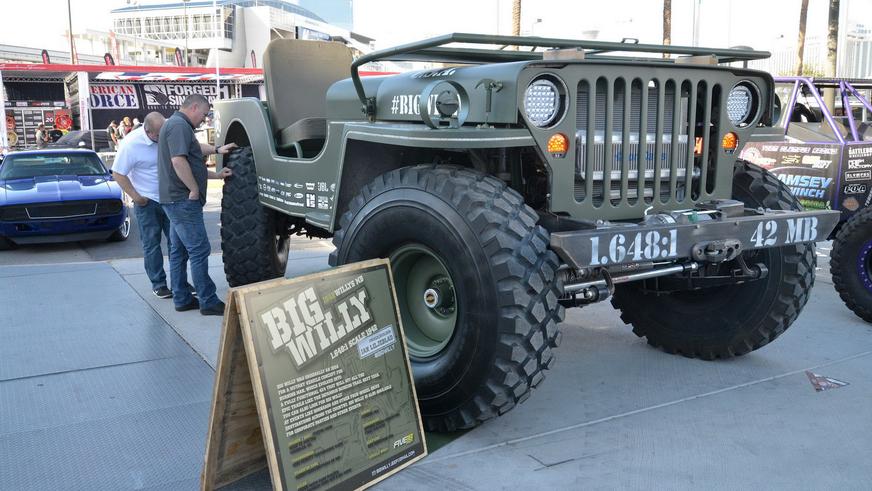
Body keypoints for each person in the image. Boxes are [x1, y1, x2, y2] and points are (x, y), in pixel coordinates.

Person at [158, 94, 236, 316]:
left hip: (174, 199)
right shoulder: (179, 126)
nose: (204, 119)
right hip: (182, 201)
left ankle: (182, 298)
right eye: (203, 114)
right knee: (199, 249)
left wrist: (217, 156)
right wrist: (193, 189)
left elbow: (193, 152)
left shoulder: (176, 125)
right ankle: (208, 300)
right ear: (193, 107)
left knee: (179, 250)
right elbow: (179, 161)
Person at [112, 112, 175, 299]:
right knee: (152, 243)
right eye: (157, 135)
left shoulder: (168, 133)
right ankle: (159, 283)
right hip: (147, 202)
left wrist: (216, 149)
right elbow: (118, 173)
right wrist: (137, 197)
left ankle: (179, 281)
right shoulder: (131, 144)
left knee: (177, 243)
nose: (161, 138)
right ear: (147, 131)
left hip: (171, 199)